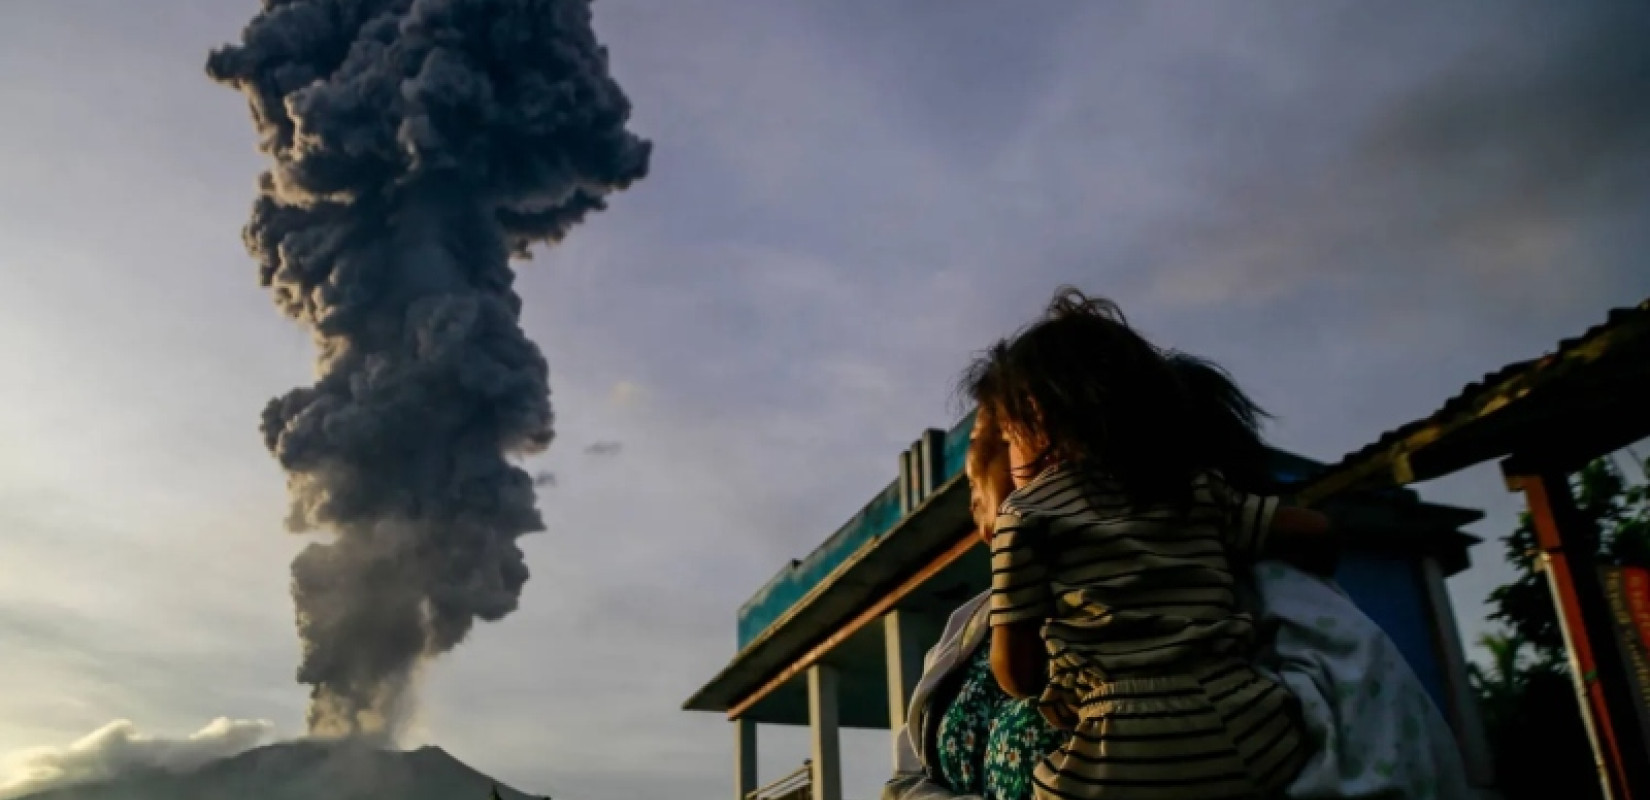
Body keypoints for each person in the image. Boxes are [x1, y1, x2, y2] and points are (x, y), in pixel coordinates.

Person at [887, 335, 1474, 800]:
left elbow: (1385, 769)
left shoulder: (1275, 604)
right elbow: (907, 779)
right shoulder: (970, 624)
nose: (975, 492)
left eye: (996, 442)